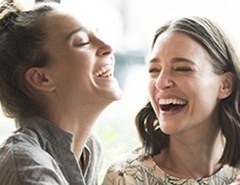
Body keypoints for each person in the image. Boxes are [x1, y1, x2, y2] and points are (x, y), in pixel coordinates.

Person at [103, 16, 240, 185]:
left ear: (225, 85)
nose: (161, 82)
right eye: (154, 70)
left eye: (182, 69)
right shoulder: (126, 177)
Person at [0, 0, 122, 184]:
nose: (108, 47)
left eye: (98, 34)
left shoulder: (89, 149)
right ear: (42, 79)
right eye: (82, 42)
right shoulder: (26, 166)